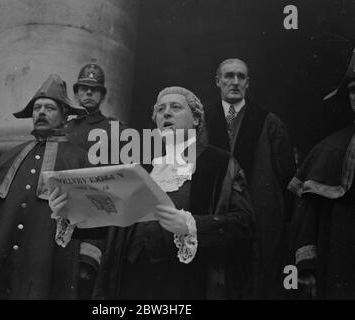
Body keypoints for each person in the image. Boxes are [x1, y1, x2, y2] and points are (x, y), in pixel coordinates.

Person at [51, 86, 256, 299]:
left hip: (186, 283)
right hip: (130, 279)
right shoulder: (140, 166)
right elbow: (110, 223)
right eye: (160, 109)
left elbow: (245, 224)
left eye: (176, 107)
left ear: (195, 119)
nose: (166, 113)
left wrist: (192, 225)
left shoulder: (221, 164)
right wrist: (70, 212)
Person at [0, 74, 104, 299]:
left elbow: (94, 217)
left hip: (51, 257)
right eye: (37, 108)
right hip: (1, 255)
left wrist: (86, 259)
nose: (41, 112)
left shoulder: (80, 160)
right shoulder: (11, 155)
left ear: (65, 115)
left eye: (49, 108)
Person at [206, 58, 296, 299]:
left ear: (248, 83)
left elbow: (286, 176)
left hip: (259, 220)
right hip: (214, 218)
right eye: (228, 76)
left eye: (241, 76)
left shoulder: (270, 123)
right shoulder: (201, 122)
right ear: (218, 81)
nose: (235, 82)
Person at [288, 49, 355, 299]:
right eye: (353, 89)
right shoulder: (328, 150)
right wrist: (306, 268)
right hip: (341, 259)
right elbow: (307, 219)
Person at [66, 61, 126, 155]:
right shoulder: (65, 128)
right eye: (84, 88)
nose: (89, 92)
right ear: (76, 95)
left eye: (94, 89)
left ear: (102, 97)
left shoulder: (115, 130)